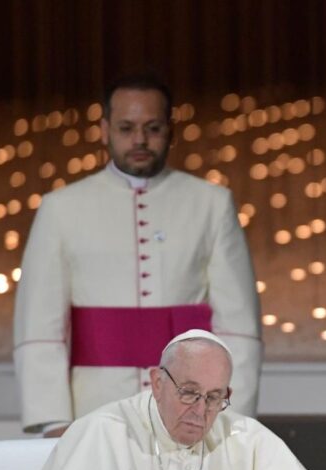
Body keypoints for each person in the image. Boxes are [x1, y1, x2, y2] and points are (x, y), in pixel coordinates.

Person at [14, 74, 261, 436]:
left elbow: (238, 326)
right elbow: (40, 327)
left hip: (191, 407)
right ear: (104, 130)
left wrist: (229, 416)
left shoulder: (211, 204)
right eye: (126, 128)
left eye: (153, 128)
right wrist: (54, 420)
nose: (140, 140)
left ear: (171, 130)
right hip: (92, 409)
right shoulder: (60, 208)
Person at [24, 330, 326, 470]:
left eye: (214, 397)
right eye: (188, 392)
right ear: (157, 383)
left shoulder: (244, 434)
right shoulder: (105, 428)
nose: (200, 410)